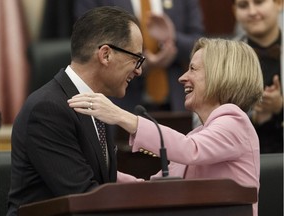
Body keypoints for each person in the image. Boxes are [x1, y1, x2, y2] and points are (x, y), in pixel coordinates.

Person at [68, 37, 264, 216]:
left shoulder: (235, 121)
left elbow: (190, 149)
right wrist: (103, 169)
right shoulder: (198, 135)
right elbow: (152, 190)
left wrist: (120, 116)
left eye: (193, 69)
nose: (182, 77)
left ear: (220, 74)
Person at [7, 6, 145, 216]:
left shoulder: (98, 106)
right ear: (105, 55)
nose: (139, 70)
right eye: (136, 58)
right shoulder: (48, 110)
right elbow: (84, 198)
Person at [74, 0, 205, 112]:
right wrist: (140, 62)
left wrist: (173, 38)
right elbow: (89, 40)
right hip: (120, 103)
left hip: (174, 103)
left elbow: (200, 44)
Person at [232, 0, 283, 153]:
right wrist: (254, 117)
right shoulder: (218, 58)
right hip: (239, 163)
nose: (252, 12)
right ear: (234, 11)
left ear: (279, 3)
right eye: (243, 6)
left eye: (259, 2)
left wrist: (280, 107)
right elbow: (202, 124)